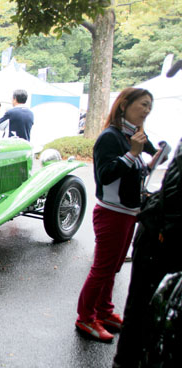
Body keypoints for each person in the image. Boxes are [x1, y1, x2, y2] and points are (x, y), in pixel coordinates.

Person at [75, 88, 162, 344]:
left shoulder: (132, 137)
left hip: (128, 214)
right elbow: (104, 175)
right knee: (102, 269)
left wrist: (150, 159)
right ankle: (85, 317)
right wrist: (132, 153)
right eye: (143, 104)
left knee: (113, 269)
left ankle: (104, 312)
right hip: (111, 214)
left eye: (150, 106)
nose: (147, 110)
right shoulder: (111, 137)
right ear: (124, 105)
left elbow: (135, 172)